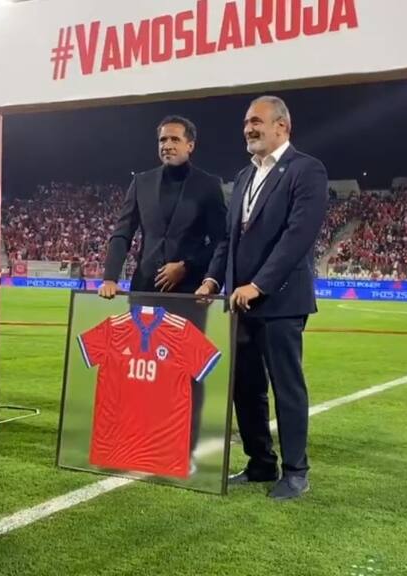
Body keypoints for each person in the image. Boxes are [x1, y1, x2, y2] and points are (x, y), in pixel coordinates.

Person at [196, 95, 328, 500]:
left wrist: (261, 284)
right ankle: (259, 462)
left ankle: (295, 472)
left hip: (281, 300)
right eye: (245, 124)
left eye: (256, 121)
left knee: (287, 386)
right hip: (239, 302)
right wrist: (212, 280)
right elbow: (229, 239)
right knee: (246, 387)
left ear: (282, 126)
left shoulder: (306, 170)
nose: (249, 129)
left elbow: (298, 236)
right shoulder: (243, 175)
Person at [98, 115, 227, 462]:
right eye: (162, 141)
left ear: (190, 145)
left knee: (184, 370)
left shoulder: (208, 185)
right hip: (144, 291)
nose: (167, 146)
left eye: (174, 140)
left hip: (188, 294)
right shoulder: (140, 182)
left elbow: (220, 240)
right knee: (141, 368)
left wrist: (187, 266)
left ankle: (185, 444)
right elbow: (123, 232)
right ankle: (138, 437)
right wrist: (111, 275)